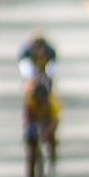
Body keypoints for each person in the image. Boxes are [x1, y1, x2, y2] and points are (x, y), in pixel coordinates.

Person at [19, 34, 59, 166]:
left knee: (50, 135)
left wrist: (49, 132)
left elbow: (56, 119)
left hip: (48, 114)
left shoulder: (53, 102)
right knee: (31, 141)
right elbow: (27, 115)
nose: (40, 52)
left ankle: (52, 156)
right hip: (32, 85)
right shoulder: (31, 98)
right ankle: (31, 176)